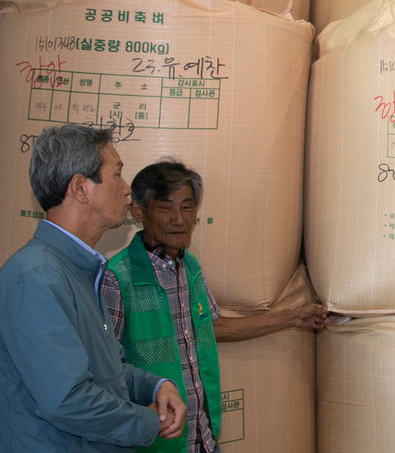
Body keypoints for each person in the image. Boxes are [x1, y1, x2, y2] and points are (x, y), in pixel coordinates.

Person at [101, 159, 328, 453]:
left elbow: (214, 326)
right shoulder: (117, 277)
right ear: (138, 211)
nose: (179, 219)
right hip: (154, 443)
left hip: (201, 438)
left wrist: (292, 317)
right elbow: (106, 367)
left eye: (187, 207)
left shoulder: (189, 267)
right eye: (165, 207)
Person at [0, 124, 187, 452]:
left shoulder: (77, 270)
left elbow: (106, 369)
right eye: (118, 175)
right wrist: (148, 421)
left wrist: (155, 386)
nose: (127, 189)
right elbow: (68, 399)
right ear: (81, 188)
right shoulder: (37, 277)